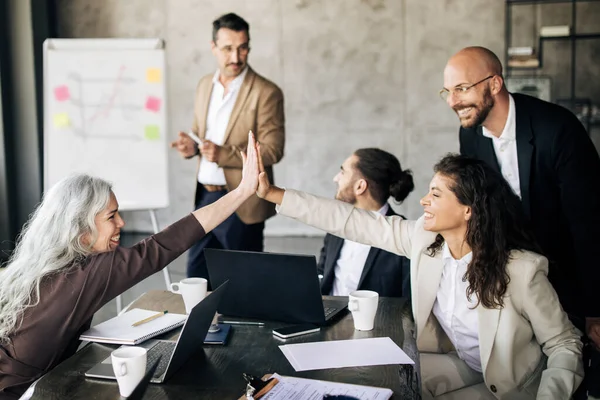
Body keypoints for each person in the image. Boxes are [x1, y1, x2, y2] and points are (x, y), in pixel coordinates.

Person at [255, 148, 583, 399]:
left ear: (468, 209)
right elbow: (351, 221)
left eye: (436, 194)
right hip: (458, 362)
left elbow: (565, 344)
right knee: (376, 384)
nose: (424, 200)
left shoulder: (521, 269)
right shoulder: (425, 242)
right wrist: (272, 193)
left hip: (513, 385)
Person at [0, 133, 260, 399]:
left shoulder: (45, 266)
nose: (121, 223)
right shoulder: (86, 274)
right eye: (111, 216)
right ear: (82, 229)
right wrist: (241, 192)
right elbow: (164, 245)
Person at [441, 46, 600, 348]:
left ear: (495, 84)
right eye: (447, 91)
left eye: (461, 88)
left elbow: (590, 223)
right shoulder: (470, 135)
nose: (452, 101)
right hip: (512, 278)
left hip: (571, 277)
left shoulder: (558, 129)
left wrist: (596, 308)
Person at [170, 13, 285, 287]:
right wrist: (192, 148)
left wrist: (223, 154)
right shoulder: (203, 86)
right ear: (213, 48)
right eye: (227, 48)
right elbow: (202, 135)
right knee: (195, 281)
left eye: (242, 47)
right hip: (204, 198)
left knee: (244, 286)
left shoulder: (266, 92)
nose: (236, 56)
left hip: (241, 201)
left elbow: (273, 150)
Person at [318, 148, 413, 297]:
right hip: (327, 316)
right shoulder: (337, 223)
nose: (336, 178)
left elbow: (408, 303)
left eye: (343, 172)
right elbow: (322, 273)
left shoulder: (403, 236)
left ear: (360, 186)